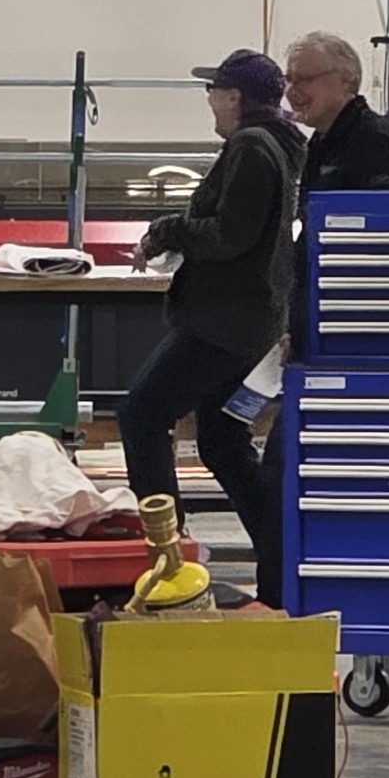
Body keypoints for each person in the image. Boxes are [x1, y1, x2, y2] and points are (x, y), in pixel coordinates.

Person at [116, 48, 306, 606]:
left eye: (212, 92)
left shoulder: (250, 146)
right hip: (254, 322)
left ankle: (166, 561)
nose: (209, 103)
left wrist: (167, 229)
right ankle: (278, 570)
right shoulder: (284, 146)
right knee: (223, 440)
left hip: (222, 322)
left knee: (142, 414)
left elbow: (229, 235)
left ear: (233, 97)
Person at [284, 30, 389, 195]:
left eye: (305, 79)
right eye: (289, 80)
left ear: (346, 80)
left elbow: (387, 216)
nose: (292, 91)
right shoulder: (323, 140)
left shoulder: (375, 143)